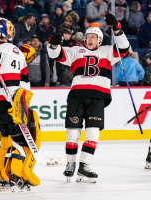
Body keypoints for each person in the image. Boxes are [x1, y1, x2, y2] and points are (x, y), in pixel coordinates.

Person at [47, 13, 129, 183]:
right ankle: (70, 165)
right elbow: (55, 55)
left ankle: (84, 165)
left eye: (94, 37)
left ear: (100, 40)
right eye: (88, 37)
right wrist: (53, 44)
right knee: (73, 132)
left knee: (92, 132)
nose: (90, 39)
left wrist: (117, 29)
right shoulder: (76, 51)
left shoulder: (107, 51)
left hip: (98, 97)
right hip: (77, 95)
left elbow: (124, 47)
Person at [0, 18, 40, 191]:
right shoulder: (13, 50)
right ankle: (17, 176)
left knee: (5, 139)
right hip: (11, 103)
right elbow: (11, 81)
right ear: (9, 32)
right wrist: (18, 106)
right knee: (20, 140)